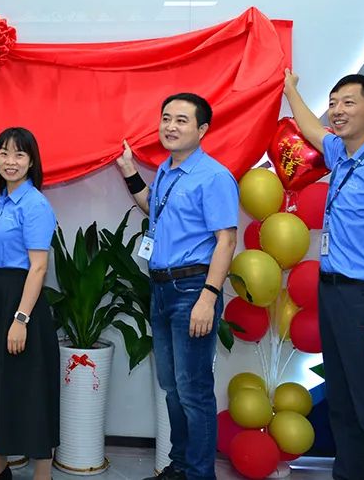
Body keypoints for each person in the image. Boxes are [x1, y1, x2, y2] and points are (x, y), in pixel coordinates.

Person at [284, 71, 364, 480]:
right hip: (332, 295)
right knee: (342, 406)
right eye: (333, 102)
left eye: (349, 103)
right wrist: (290, 89)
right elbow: (310, 127)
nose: (337, 111)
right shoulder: (340, 153)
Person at [117, 93, 238, 480]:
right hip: (161, 289)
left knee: (193, 390)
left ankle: (200, 474)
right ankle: (181, 466)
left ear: (202, 129)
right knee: (171, 387)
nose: (170, 126)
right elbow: (154, 208)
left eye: (181, 120)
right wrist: (129, 171)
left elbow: (226, 241)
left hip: (193, 290)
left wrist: (209, 297)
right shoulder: (166, 171)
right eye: (166, 118)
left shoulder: (214, 177)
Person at [0, 127, 59, 480]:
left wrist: (20, 319)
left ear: (31, 161)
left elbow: (38, 267)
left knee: (31, 389)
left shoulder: (34, 204)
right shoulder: (3, 200)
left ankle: (42, 475)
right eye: (3, 153)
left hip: (23, 300)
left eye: (19, 154)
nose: (10, 161)